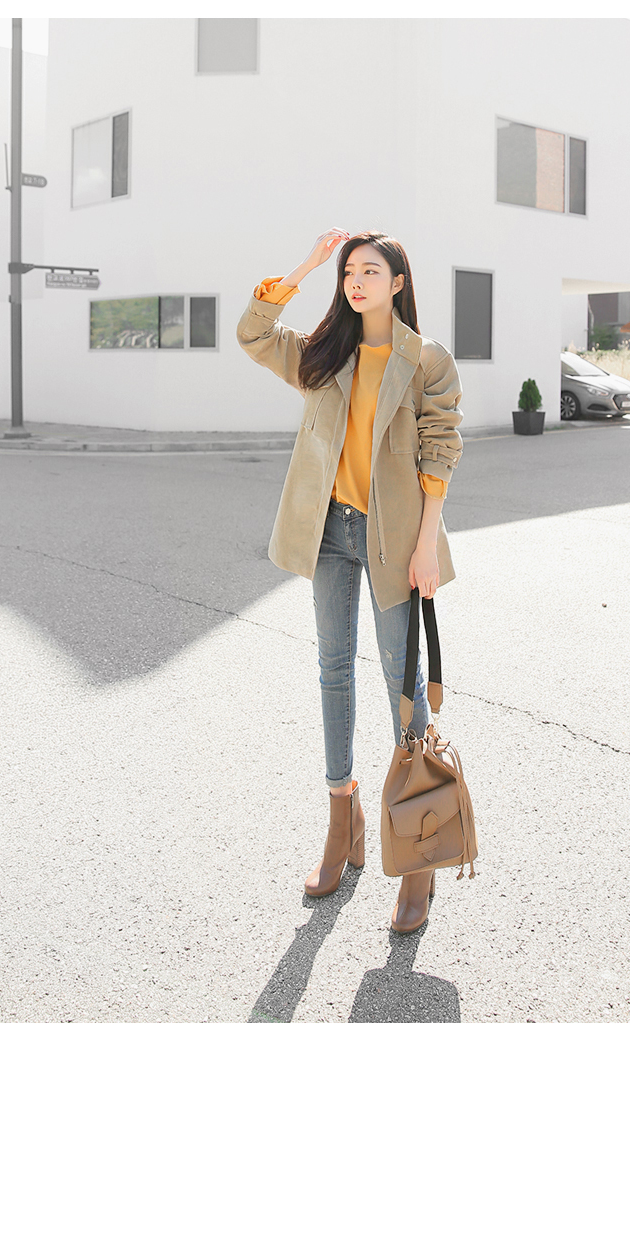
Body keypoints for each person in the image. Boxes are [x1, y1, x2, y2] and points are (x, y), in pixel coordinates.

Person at [237, 228, 461, 931]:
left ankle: (419, 849)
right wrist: (305, 264)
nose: (356, 282)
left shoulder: (425, 358)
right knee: (333, 670)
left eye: (370, 271)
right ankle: (344, 822)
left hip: (395, 537)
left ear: (398, 282)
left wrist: (427, 547)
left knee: (403, 684)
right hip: (328, 531)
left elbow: (440, 453)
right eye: (348, 272)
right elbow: (253, 333)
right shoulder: (323, 352)